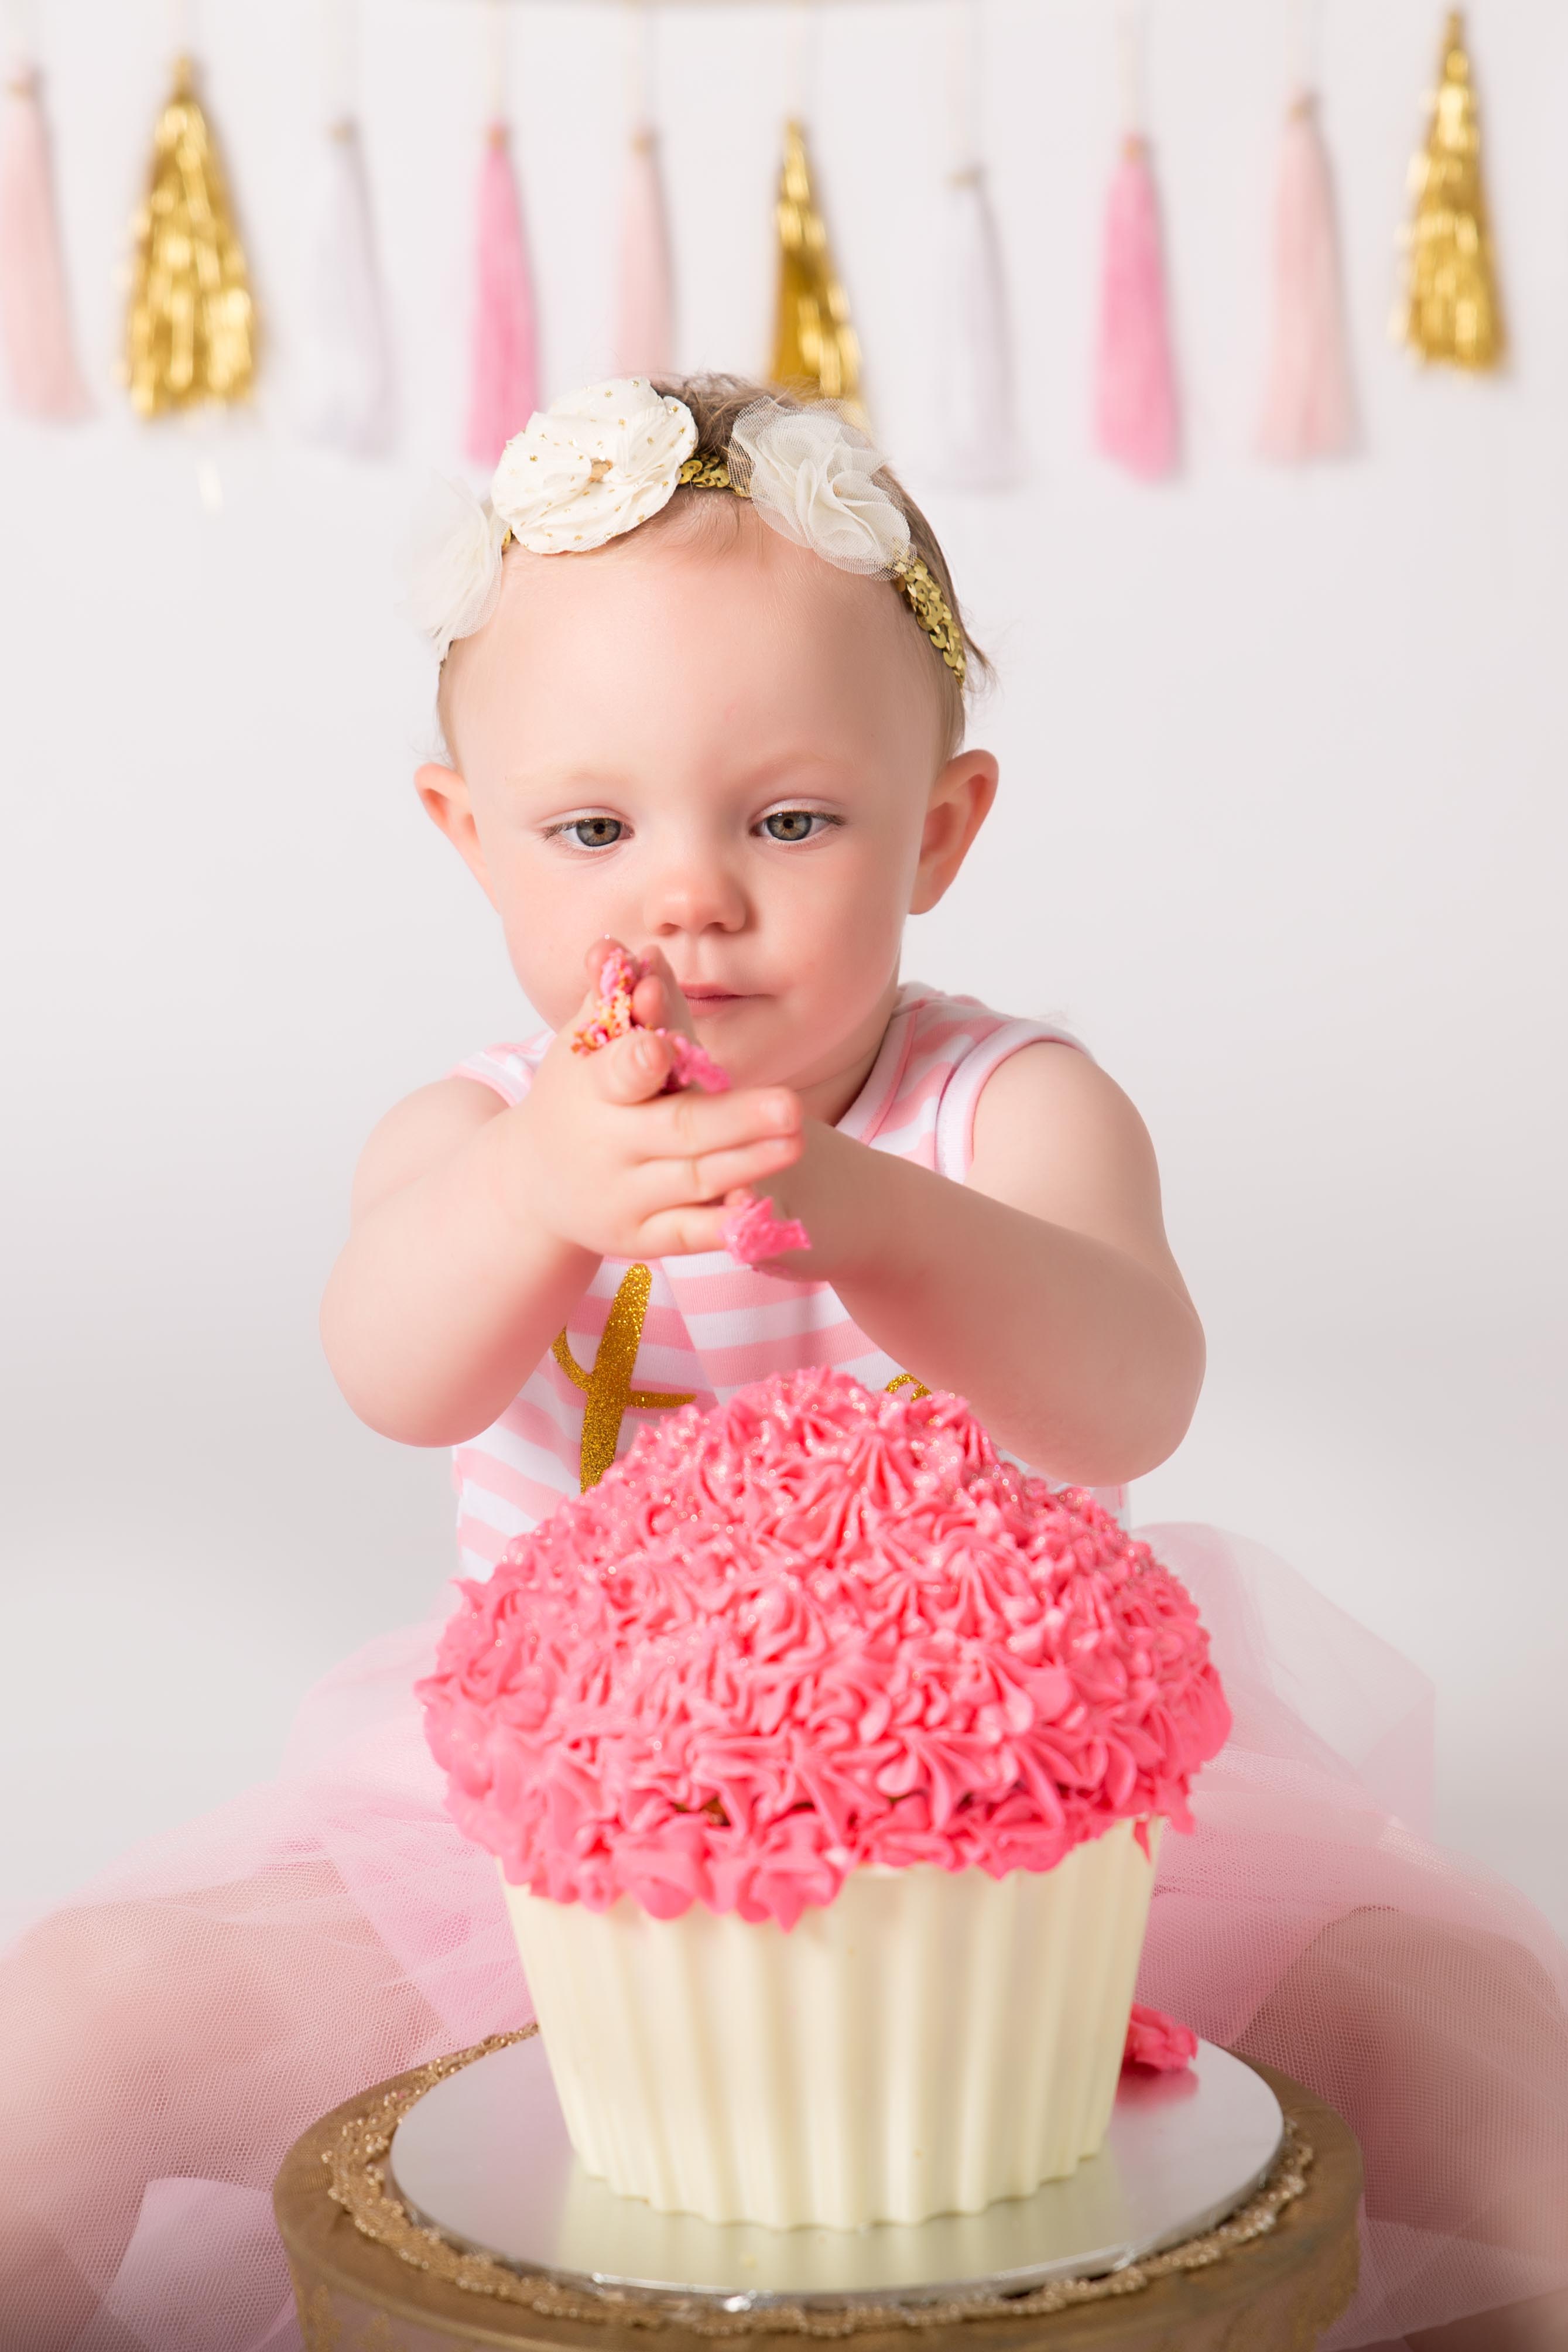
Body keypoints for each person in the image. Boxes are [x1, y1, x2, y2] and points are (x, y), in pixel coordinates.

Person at [1, 375, 1563, 2352]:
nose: (690, 893)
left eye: (793, 819)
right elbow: (390, 1367)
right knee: (92, 2020)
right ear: (466, 841)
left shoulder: (1009, 1110)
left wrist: (883, 1217)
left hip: (1024, 1848)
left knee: (1454, 2046)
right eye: (592, 826)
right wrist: (532, 1195)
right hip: (545, 1847)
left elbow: (1128, 1396)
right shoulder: (475, 1136)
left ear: (943, 830)